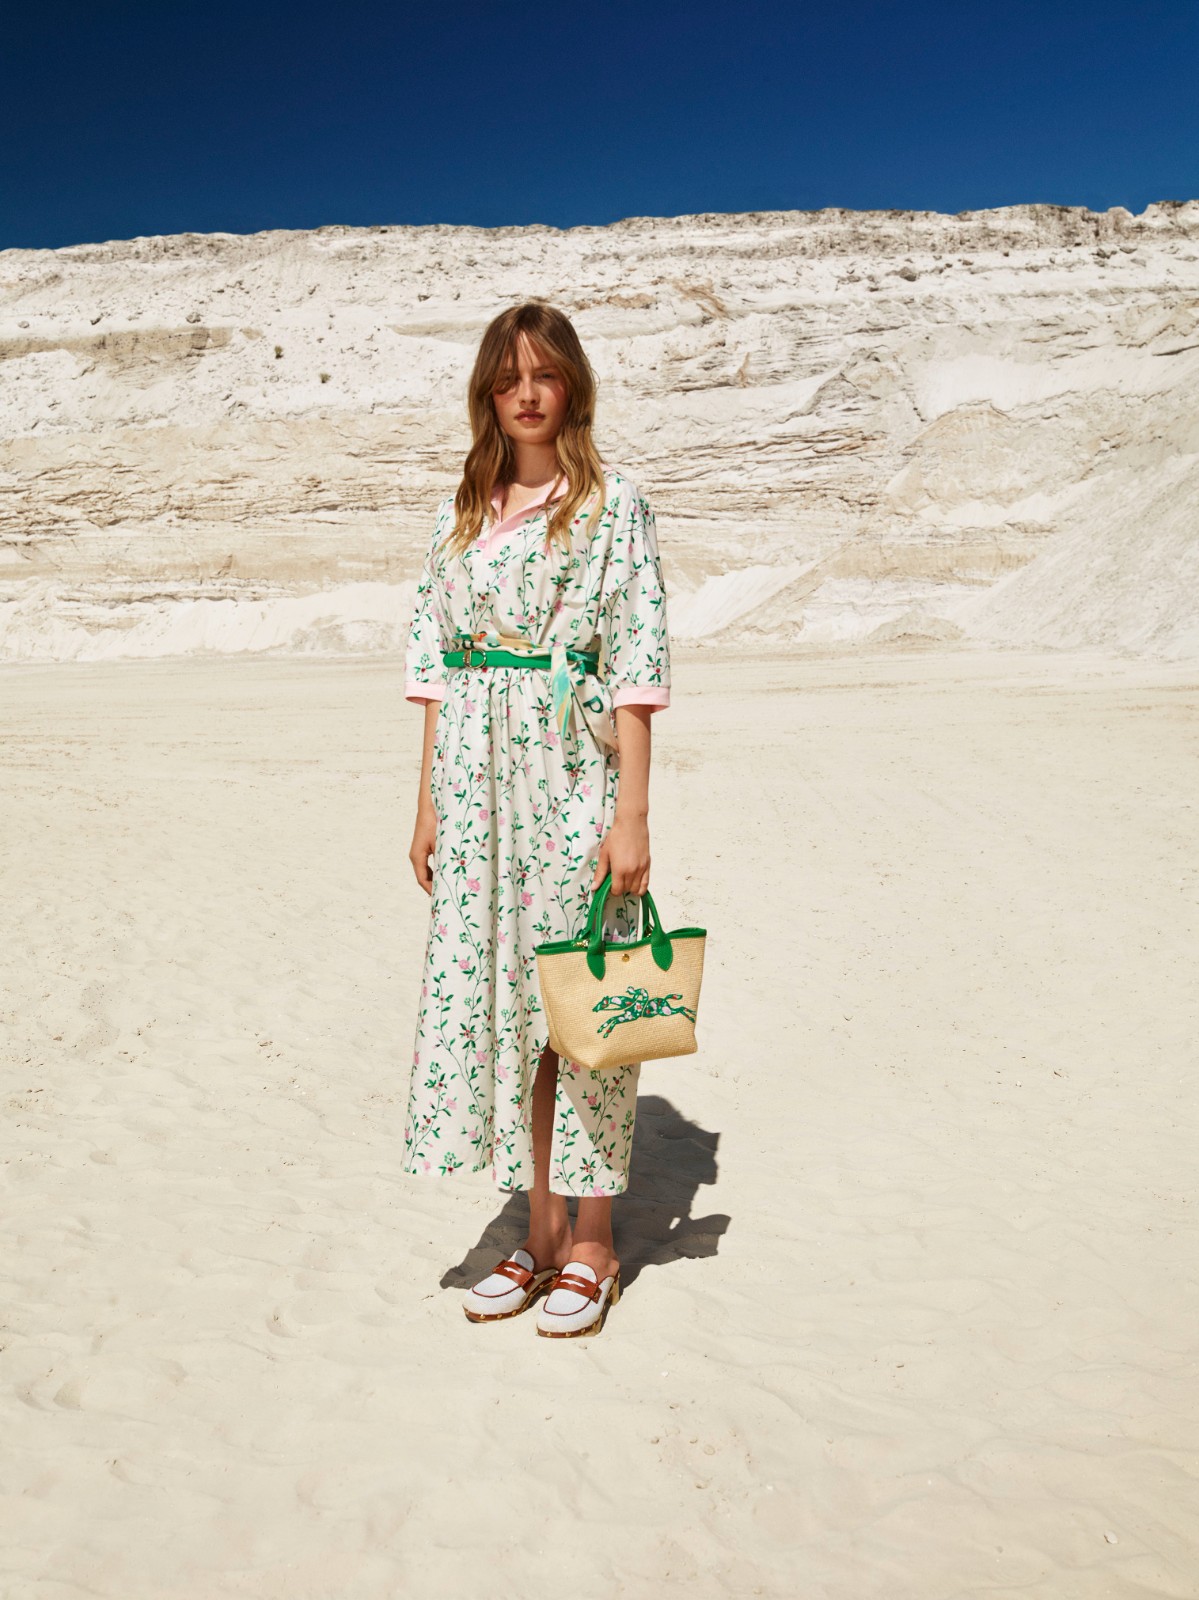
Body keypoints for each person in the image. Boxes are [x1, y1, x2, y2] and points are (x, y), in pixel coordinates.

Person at [402, 300, 671, 1338]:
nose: (526, 393)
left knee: (575, 999)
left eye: (544, 374)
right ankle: (539, 1226)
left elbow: (635, 665)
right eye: (508, 377)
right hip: (474, 786)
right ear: (486, 391)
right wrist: (428, 804)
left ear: (572, 387)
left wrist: (631, 815)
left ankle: (592, 1240)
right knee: (503, 1005)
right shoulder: (460, 512)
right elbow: (436, 667)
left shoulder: (609, 504)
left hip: (567, 771)